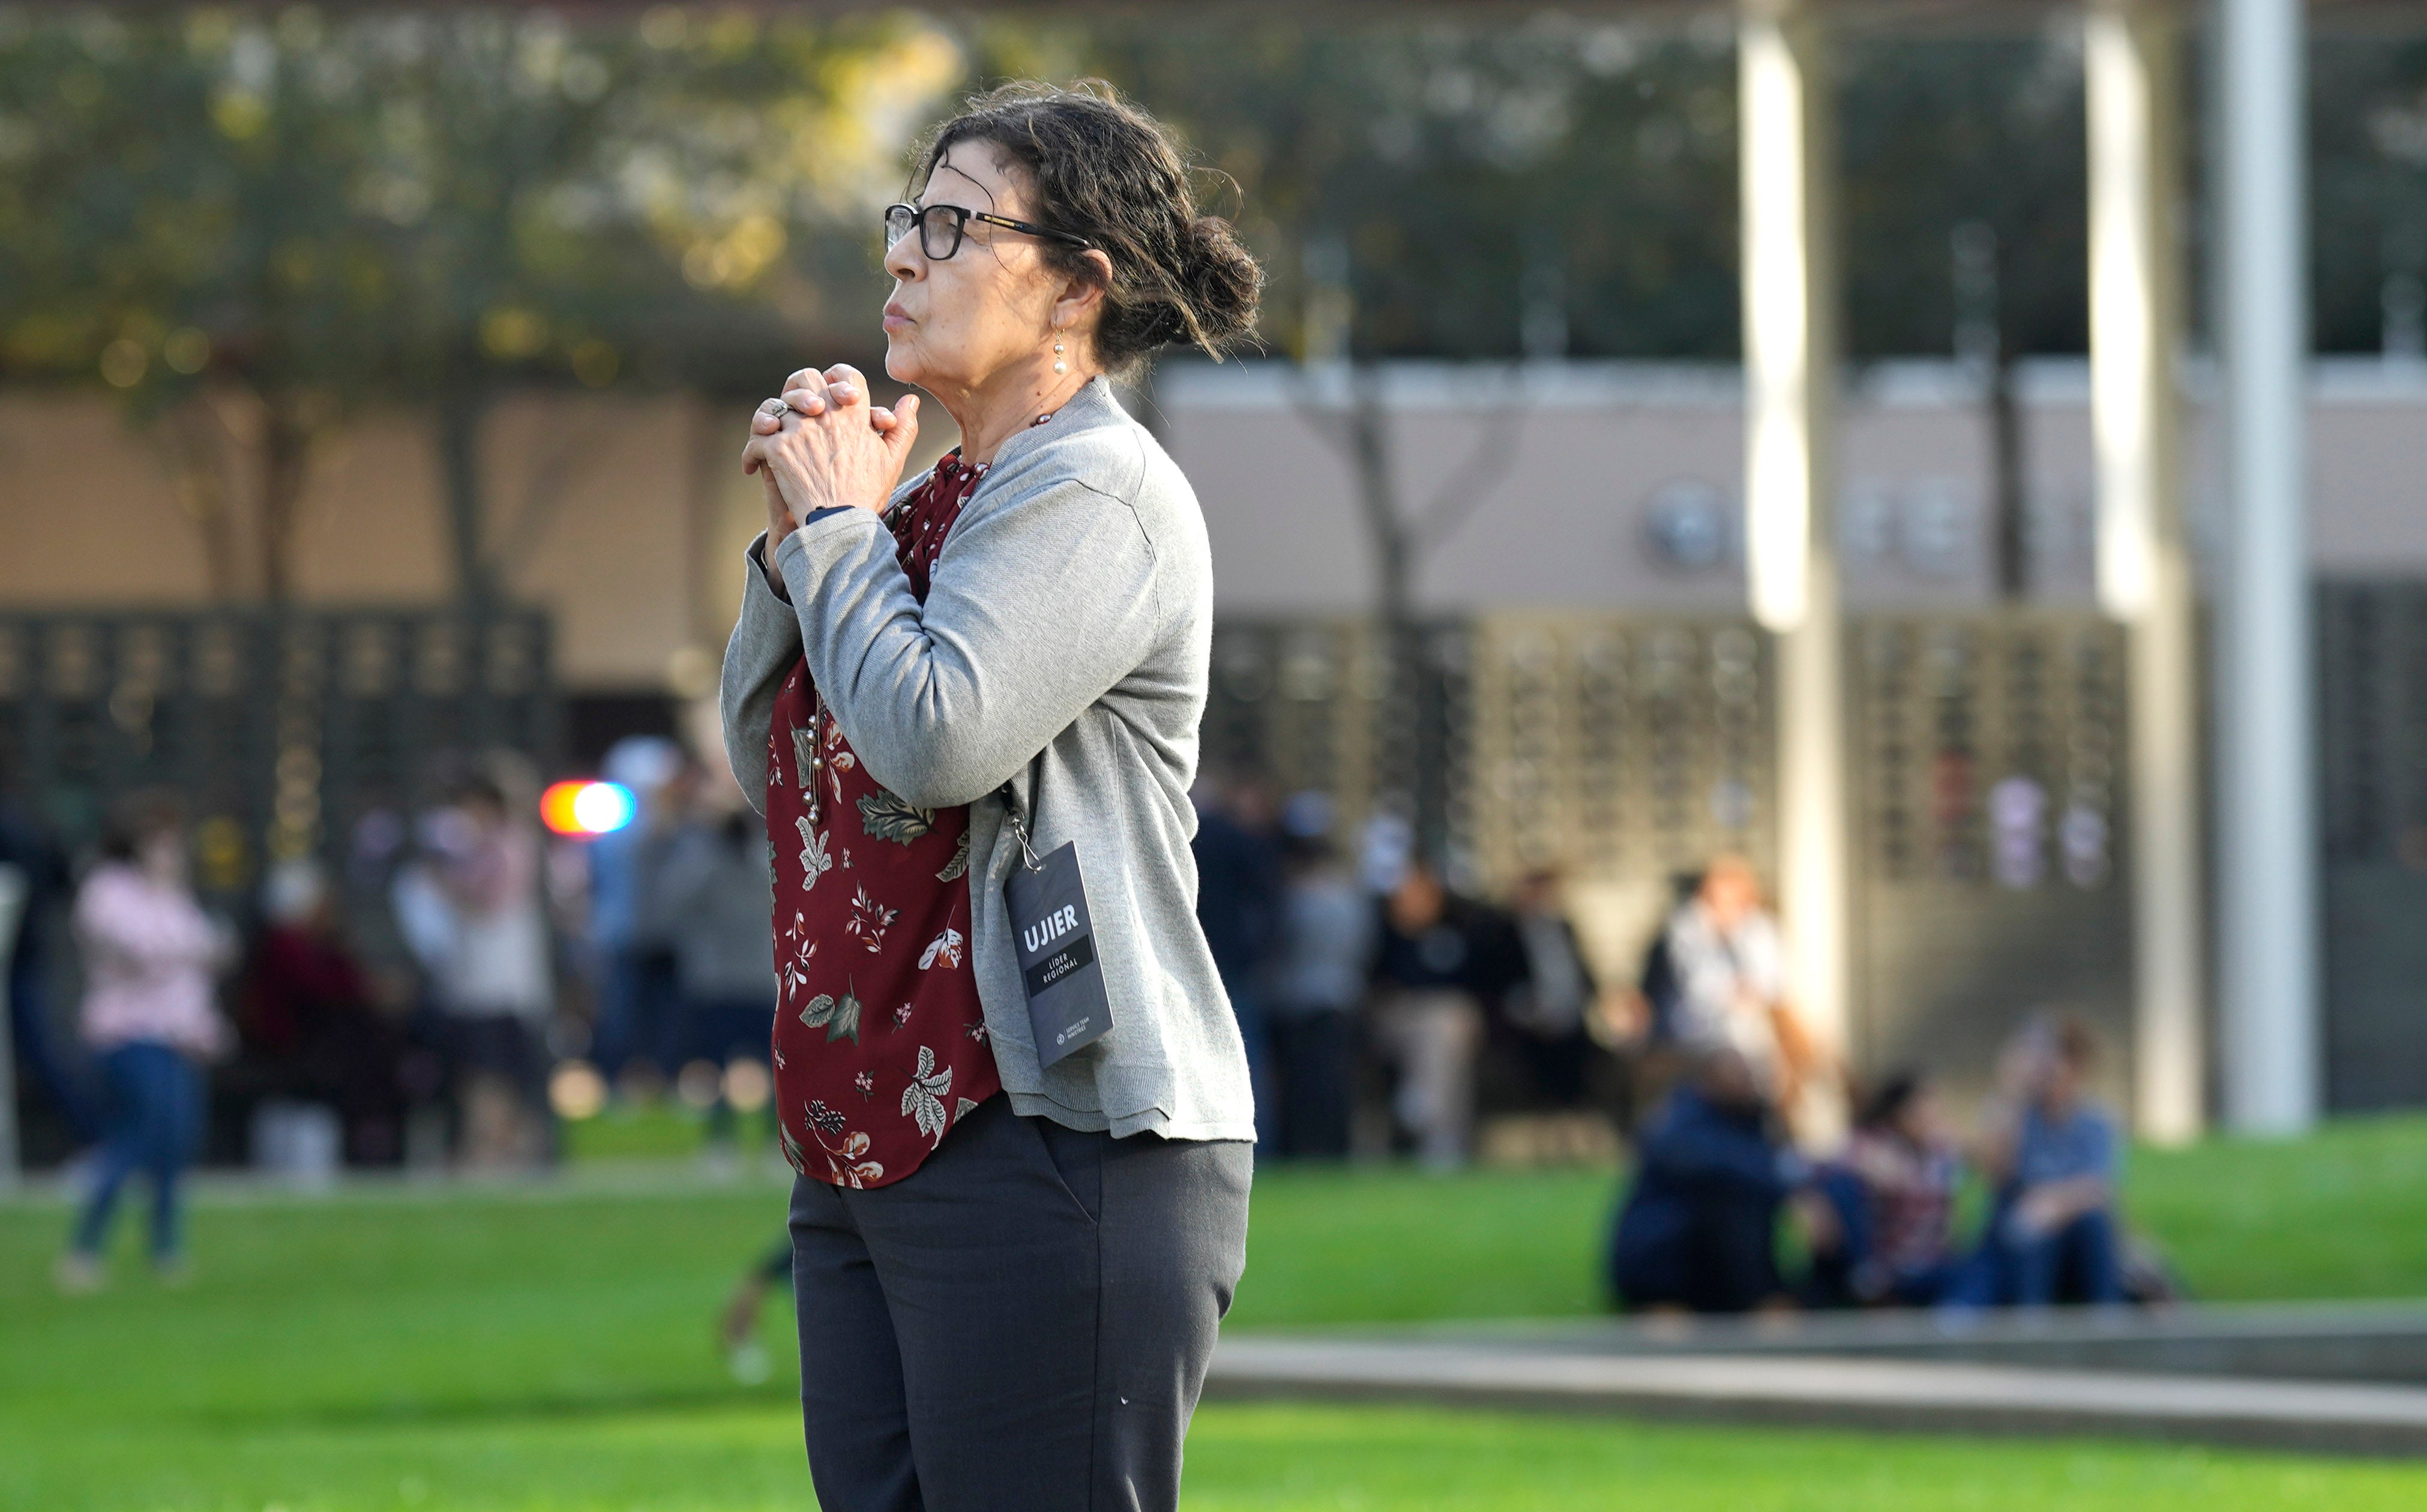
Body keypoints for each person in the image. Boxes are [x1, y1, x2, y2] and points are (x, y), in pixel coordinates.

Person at [720, 82, 1262, 1511]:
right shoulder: (929, 504)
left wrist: (840, 530)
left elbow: (938, 738)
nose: (901, 255)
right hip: (870, 1136)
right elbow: (782, 775)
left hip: (1053, 1138)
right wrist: (800, 546)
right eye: (908, 218)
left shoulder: (1096, 496)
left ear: (1079, 287)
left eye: (953, 226)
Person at [56, 793, 231, 1291]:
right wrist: (194, 949)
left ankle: (166, 1251)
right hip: (129, 1033)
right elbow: (142, 952)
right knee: (139, 1133)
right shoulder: (107, 891)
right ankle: (85, 1249)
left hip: (180, 1037)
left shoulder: (174, 895)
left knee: (177, 1142)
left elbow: (202, 961)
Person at [393, 773, 556, 1168]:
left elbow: (486, 902)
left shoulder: (509, 847)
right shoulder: (473, 852)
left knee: (494, 1076)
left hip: (501, 987)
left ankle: (497, 1149)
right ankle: (488, 1145)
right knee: (477, 1076)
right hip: (473, 986)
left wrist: (440, 884)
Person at [1608, 1045, 1824, 1315]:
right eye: (1739, 1075)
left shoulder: (1749, 1121)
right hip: (1666, 1263)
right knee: (1731, 1202)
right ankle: (1762, 1303)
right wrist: (1790, 1193)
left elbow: (1784, 1166)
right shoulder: (1678, 1122)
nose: (1748, 1082)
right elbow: (1722, 1166)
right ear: (1710, 1079)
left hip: (1715, 1267)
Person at [238, 859, 406, 1166]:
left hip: (309, 1051)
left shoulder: (303, 942)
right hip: (294, 1050)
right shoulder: (284, 943)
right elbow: (325, 986)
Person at [1966, 1013, 2125, 1308]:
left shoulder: (2096, 1120)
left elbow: (2099, 1187)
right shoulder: (2012, 1113)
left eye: (2053, 1057)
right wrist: (2012, 1092)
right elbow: (1996, 1174)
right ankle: (2032, 1319)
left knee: (2092, 1222)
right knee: (2026, 1224)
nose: (2043, 1067)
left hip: (2075, 1233)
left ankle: (2108, 1317)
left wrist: (2051, 1205)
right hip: (2017, 1235)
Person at [1653, 856, 1826, 1124]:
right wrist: (1738, 990)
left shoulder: (1760, 926)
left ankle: (1779, 1123)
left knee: (1798, 1055)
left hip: (1754, 1030)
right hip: (1699, 1031)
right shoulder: (1686, 927)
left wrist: (1748, 992)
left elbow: (1774, 983)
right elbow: (1700, 988)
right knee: (1736, 1069)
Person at [651, 799, 779, 1155]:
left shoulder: (712, 867)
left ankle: (742, 1140)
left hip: (731, 982)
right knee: (729, 1066)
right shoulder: (759, 864)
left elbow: (669, 906)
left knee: (734, 1066)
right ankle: (751, 1140)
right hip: (737, 982)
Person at [1368, 862, 1489, 1168]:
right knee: (1441, 1029)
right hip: (1400, 1022)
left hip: (1452, 1024)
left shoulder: (1457, 932)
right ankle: (1442, 1138)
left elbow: (1474, 983)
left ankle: (1420, 1102)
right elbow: (1379, 988)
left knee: (1446, 1031)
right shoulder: (1385, 938)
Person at [1809, 1070, 1965, 1308]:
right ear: (1899, 1113)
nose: (1929, 1114)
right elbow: (1826, 1166)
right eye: (1920, 1108)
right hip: (1889, 1265)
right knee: (1840, 1185)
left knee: (1978, 1266)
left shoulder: (1941, 1152)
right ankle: (1864, 1275)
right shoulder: (1872, 1144)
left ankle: (1955, 1319)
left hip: (1931, 1263)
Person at [1265, 830, 1372, 1159]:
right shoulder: (1352, 899)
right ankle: (1337, 1147)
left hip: (1296, 1000)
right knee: (1334, 1080)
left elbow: (1281, 945)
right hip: (1341, 996)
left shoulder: (1295, 899)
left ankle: (1301, 1148)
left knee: (1301, 1082)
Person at [1190, 772, 1284, 1150]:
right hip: (1232, 964)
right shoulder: (1239, 840)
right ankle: (1261, 1144)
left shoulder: (1178, 836)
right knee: (1247, 1055)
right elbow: (1269, 901)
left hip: (1187, 962)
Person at [1497, 867, 1604, 1111]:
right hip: (1525, 1017)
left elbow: (1586, 974)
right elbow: (1497, 981)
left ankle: (1575, 1114)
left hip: (1571, 1016)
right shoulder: (1504, 931)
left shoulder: (1565, 928)